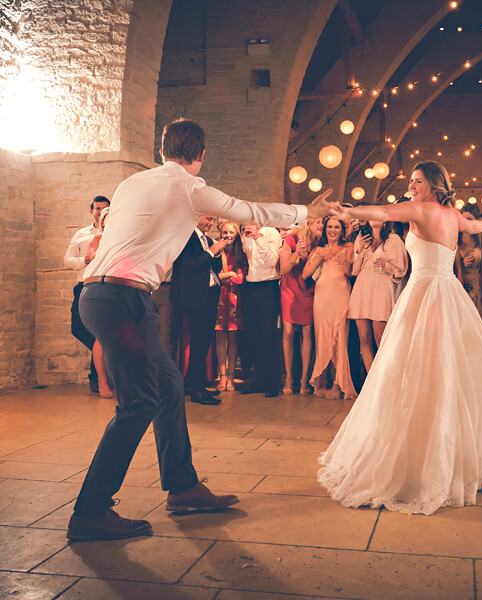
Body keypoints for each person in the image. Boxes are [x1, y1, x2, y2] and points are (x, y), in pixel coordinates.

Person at [68, 118, 336, 542]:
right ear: (201, 154)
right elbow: (249, 211)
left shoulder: (131, 184)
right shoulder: (190, 187)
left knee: (170, 385)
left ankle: (182, 486)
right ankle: (89, 512)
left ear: (162, 150)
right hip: (123, 299)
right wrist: (308, 212)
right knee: (138, 404)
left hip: (101, 297)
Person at [318, 161, 482, 515]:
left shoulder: (419, 209)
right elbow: (474, 225)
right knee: (447, 368)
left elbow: (384, 211)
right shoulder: (453, 214)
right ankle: (453, 452)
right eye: (411, 181)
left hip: (424, 294)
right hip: (448, 294)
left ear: (432, 184)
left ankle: (421, 458)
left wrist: (347, 209)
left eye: (417, 181)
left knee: (414, 366)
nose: (411, 185)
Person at [171, 215, 228, 405]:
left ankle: (194, 385)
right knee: (199, 343)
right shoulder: (186, 237)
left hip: (209, 295)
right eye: (208, 219)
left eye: (213, 221)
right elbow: (188, 266)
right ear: (196, 216)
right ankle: (196, 391)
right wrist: (211, 252)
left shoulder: (207, 240)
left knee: (203, 343)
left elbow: (215, 268)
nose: (211, 224)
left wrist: (217, 254)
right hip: (193, 296)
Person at [303, 216, 357, 400]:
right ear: (325, 229)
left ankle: (338, 384)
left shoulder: (348, 247)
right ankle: (323, 381)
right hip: (322, 297)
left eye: (336, 227)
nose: (332, 230)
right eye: (329, 227)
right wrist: (319, 259)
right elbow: (305, 275)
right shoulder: (318, 249)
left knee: (340, 338)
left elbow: (351, 273)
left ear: (342, 230)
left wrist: (346, 262)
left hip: (341, 295)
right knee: (322, 338)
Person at [63, 195, 111, 395]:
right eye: (97, 208)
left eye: (105, 209)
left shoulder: (114, 235)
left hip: (105, 286)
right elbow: (67, 260)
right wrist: (84, 261)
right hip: (83, 285)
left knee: (101, 333)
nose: (100, 212)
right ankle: (102, 360)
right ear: (91, 211)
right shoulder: (82, 234)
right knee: (78, 328)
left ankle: (98, 378)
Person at [348, 220, 408, 374]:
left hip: (381, 286)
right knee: (364, 337)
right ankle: (370, 380)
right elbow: (354, 271)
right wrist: (358, 252)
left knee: (381, 337)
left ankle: (385, 377)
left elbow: (401, 270)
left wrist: (386, 265)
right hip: (362, 286)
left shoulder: (393, 240)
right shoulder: (362, 237)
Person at [280, 218, 323, 395]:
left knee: (307, 331)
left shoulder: (322, 242)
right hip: (290, 286)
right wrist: (296, 253)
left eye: (323, 222)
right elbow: (283, 269)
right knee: (288, 332)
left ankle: (304, 379)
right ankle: (289, 378)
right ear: (309, 223)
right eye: (318, 222)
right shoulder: (292, 238)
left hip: (309, 289)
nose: (321, 226)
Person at [240, 223, 283, 397]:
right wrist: (250, 236)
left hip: (268, 286)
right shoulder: (245, 234)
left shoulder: (271, 232)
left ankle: (273, 382)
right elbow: (249, 259)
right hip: (250, 286)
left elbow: (271, 261)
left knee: (267, 336)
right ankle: (259, 380)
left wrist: (258, 238)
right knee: (253, 336)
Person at [214, 220, 246, 392]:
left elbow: (241, 279)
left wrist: (226, 276)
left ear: (236, 234)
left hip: (235, 298)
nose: (227, 236)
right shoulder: (217, 252)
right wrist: (228, 274)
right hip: (219, 298)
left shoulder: (241, 254)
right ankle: (222, 376)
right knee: (220, 337)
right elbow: (214, 275)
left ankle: (231, 377)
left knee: (233, 337)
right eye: (224, 233)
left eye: (231, 233)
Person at [456, 205, 482, 321]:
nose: (465, 223)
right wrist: (461, 263)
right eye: (463, 219)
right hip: (459, 284)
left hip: (476, 286)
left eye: (469, 219)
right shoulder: (455, 240)